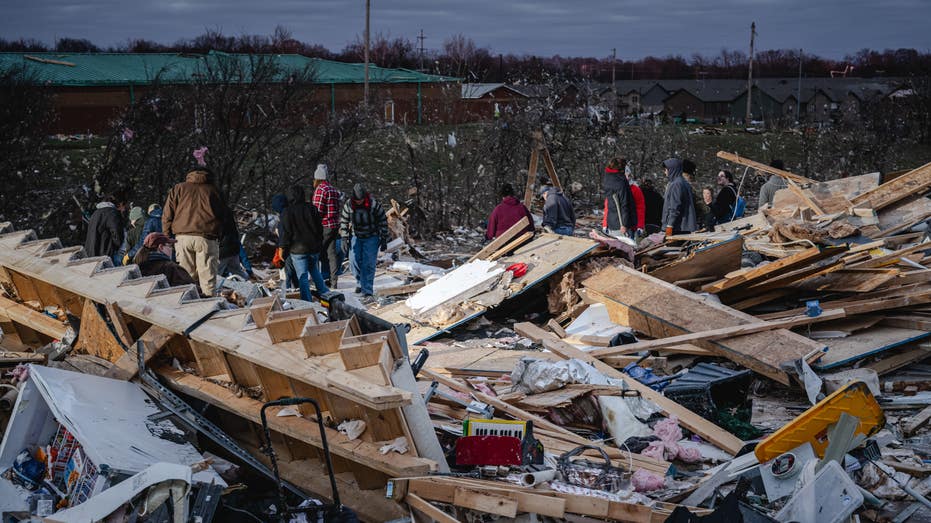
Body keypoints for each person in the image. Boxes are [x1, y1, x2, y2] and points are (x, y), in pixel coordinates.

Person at [162, 169, 228, 297]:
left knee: (185, 277)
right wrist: (220, 234)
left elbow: (167, 214)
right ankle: (209, 310)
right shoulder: (214, 190)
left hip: (182, 237)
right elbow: (224, 216)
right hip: (207, 237)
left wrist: (166, 236)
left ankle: (187, 308)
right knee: (207, 279)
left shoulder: (179, 188)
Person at [279, 185, 329, 301]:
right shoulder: (312, 208)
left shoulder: (287, 212)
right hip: (313, 248)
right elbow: (319, 229)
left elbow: (286, 233)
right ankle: (326, 295)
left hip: (298, 250)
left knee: (303, 277)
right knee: (315, 272)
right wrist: (319, 243)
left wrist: (282, 248)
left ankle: (307, 301)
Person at [339, 183, 388, 298]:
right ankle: (360, 282)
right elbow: (344, 221)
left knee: (368, 263)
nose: (358, 202)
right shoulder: (349, 205)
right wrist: (344, 238)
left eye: (360, 200)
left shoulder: (373, 204)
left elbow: (383, 220)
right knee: (353, 261)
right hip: (356, 235)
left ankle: (367, 290)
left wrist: (384, 237)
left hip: (372, 236)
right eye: (357, 200)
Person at [311, 164, 342, 288]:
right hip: (334, 225)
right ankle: (334, 282)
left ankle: (317, 282)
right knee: (332, 254)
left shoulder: (320, 189)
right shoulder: (333, 190)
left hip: (323, 226)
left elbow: (316, 211)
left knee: (315, 254)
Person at [84, 194, 126, 265]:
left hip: (91, 253)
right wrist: (117, 246)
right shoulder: (111, 213)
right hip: (106, 253)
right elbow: (117, 233)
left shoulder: (95, 214)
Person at [660, 158, 698, 236]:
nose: (665, 172)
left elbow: (675, 207)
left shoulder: (676, 184)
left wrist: (669, 225)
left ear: (672, 169)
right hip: (682, 227)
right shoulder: (680, 182)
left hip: (679, 227)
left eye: (666, 169)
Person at [601, 157, 636, 238]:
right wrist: (624, 224)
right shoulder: (620, 182)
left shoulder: (608, 179)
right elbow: (624, 204)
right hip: (621, 224)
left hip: (612, 221)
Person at [218, 211, 249, 280]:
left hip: (222, 251)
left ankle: (214, 288)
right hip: (233, 250)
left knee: (216, 272)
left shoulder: (217, 221)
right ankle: (246, 281)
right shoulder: (231, 222)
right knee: (236, 270)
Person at [625, 164, 646, 234]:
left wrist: (640, 226)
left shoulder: (635, 189)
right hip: (616, 226)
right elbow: (609, 207)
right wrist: (605, 224)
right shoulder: (614, 189)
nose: (627, 177)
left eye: (628, 175)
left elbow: (640, 208)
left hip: (631, 226)